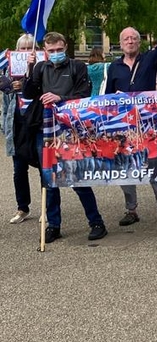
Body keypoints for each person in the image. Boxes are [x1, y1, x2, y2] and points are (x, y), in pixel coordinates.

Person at [104, 2, 157, 227]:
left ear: (139, 42)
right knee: (126, 169)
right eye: (126, 39)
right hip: (123, 127)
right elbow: (107, 99)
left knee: (154, 166)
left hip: (148, 125)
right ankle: (131, 210)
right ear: (120, 44)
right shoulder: (113, 68)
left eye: (133, 38)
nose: (130, 41)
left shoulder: (150, 58)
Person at [22, 32, 107, 244]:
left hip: (70, 130)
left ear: (66, 47)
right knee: (49, 179)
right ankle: (54, 225)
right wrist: (29, 69)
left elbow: (84, 94)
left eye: (59, 50)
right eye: (51, 51)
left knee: (77, 177)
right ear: (45, 51)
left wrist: (60, 98)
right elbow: (28, 93)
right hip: (46, 130)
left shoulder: (77, 67)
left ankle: (96, 222)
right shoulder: (41, 67)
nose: (56, 54)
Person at [2, 34, 38, 223]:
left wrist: (27, 83)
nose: (25, 51)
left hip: (36, 121)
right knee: (19, 169)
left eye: (28, 48)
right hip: (16, 123)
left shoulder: (41, 67)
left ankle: (48, 207)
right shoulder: (8, 69)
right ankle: (22, 207)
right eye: (22, 48)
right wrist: (9, 86)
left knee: (43, 167)